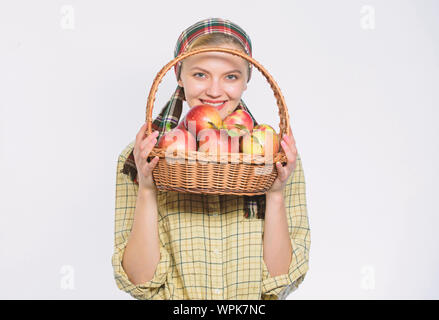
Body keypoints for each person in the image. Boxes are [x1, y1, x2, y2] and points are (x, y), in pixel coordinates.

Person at [112, 17, 310, 300]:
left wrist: (274, 191)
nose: (215, 90)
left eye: (231, 76)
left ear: (245, 81)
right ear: (179, 76)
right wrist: (146, 187)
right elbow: (140, 282)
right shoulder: (143, 156)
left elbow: (278, 283)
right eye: (200, 75)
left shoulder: (275, 156)